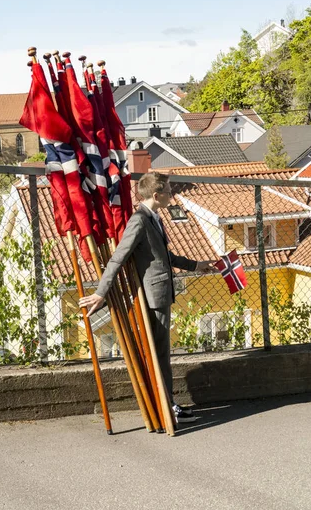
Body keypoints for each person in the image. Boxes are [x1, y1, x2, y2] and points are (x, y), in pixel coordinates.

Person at [79, 172, 215, 423]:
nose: (172, 195)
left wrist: (197, 265)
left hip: (160, 293)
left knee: (162, 353)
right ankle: (166, 407)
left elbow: (166, 257)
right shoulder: (139, 221)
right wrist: (101, 293)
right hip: (153, 296)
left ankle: (167, 405)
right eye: (169, 191)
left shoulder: (154, 218)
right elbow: (118, 258)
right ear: (156, 195)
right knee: (159, 353)